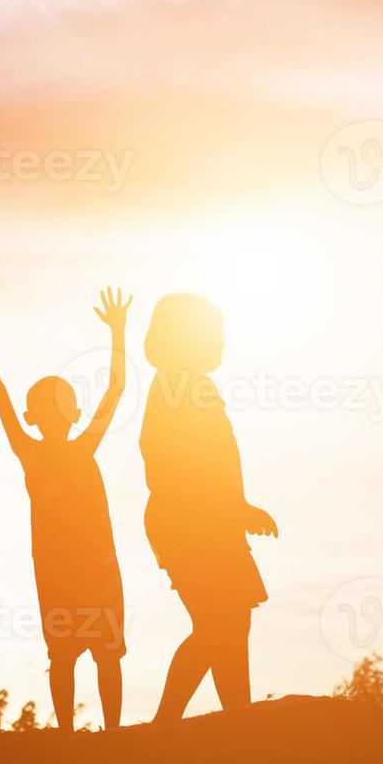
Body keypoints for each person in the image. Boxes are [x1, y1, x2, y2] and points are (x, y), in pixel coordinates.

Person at [0, 290, 131, 732]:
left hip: (98, 570)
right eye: (46, 403)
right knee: (65, 655)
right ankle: (68, 735)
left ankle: (113, 732)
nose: (54, 409)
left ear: (74, 412)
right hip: (58, 574)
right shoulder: (30, 454)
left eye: (61, 400)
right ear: (33, 417)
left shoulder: (84, 448)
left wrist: (119, 333)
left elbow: (117, 388)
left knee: (106, 654)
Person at [141, 294, 276, 722]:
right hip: (192, 525)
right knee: (220, 623)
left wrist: (237, 506)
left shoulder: (181, 384)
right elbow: (192, 457)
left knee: (230, 621)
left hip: (207, 520)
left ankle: (238, 714)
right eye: (213, 335)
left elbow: (214, 455)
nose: (220, 344)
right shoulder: (181, 385)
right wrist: (233, 506)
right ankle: (170, 722)